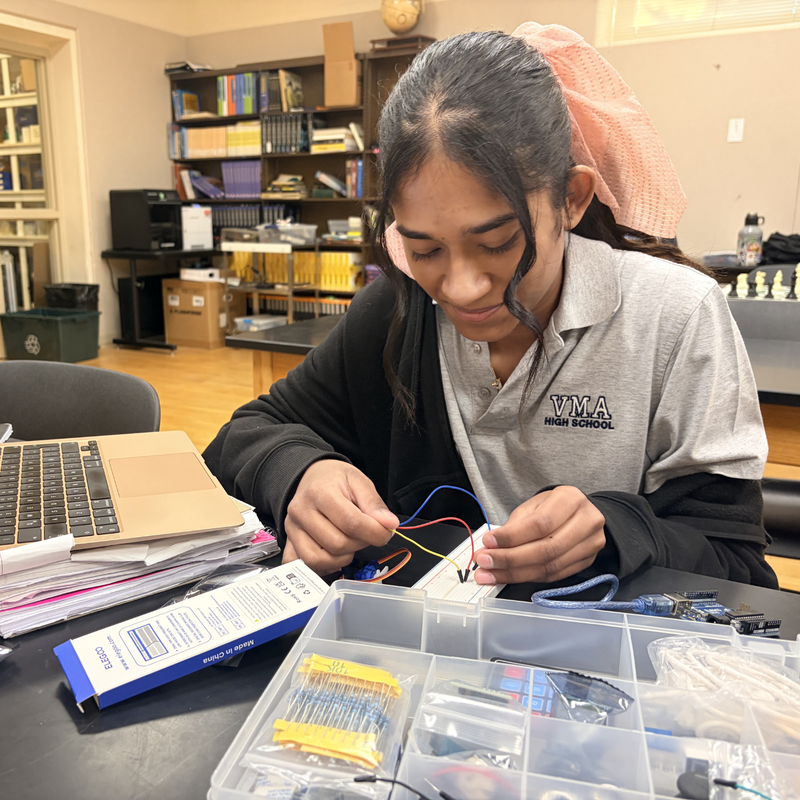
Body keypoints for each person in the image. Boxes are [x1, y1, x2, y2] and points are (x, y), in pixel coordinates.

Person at [204, 24, 777, 589]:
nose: (460, 289)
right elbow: (244, 435)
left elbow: (736, 563)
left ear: (572, 198)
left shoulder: (675, 316)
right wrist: (301, 473)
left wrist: (615, 530)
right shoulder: (400, 311)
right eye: (425, 249)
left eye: (498, 242)